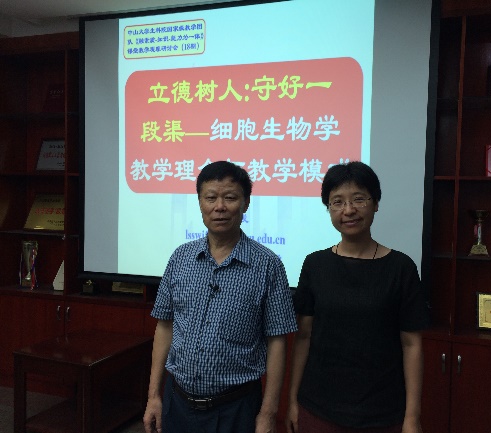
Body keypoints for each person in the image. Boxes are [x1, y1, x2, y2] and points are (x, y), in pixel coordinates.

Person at [143, 160, 297, 433]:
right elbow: (165, 325)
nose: (220, 207)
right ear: (200, 202)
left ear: (245, 203)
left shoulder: (268, 265)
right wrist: (153, 395)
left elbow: (276, 341)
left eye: (230, 198)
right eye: (211, 198)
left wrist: (268, 413)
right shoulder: (180, 258)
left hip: (236, 409)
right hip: (177, 402)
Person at [286, 161, 429, 433]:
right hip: (318, 408)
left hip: (383, 412)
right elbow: (303, 336)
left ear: (376, 203)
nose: (349, 210)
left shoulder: (401, 268)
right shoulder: (315, 264)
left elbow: (412, 345)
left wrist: (412, 417)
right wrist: (293, 400)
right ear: (328, 209)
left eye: (359, 199)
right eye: (337, 202)